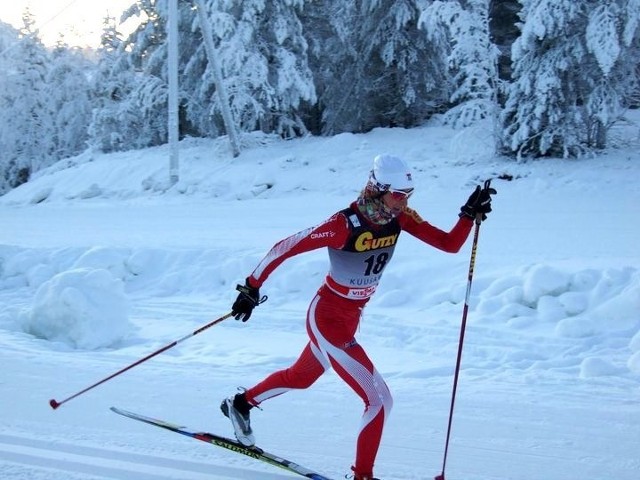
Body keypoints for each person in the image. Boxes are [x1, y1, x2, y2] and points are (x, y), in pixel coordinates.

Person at [221, 154, 496, 480]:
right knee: (379, 401)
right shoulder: (343, 225)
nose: (403, 202)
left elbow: (448, 245)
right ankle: (362, 476)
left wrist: (467, 215)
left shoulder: (401, 218)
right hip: (327, 319)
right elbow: (286, 246)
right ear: (378, 189)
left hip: (350, 318)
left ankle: (240, 405)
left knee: (301, 376)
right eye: (397, 195)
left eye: (408, 195)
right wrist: (251, 288)